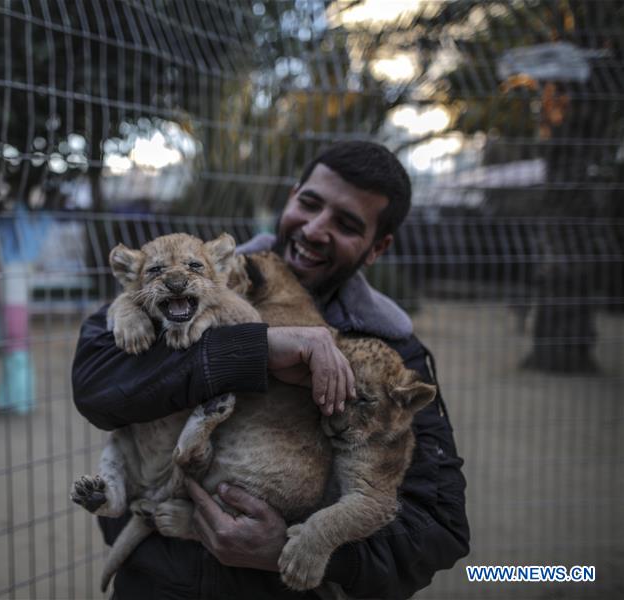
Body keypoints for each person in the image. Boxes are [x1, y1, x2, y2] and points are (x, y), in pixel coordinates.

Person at [71, 141, 469, 599]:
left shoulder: (390, 355)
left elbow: (439, 526)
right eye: (310, 203)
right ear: (291, 196)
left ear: (377, 247)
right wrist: (251, 351)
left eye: (346, 224)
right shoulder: (200, 276)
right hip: (156, 583)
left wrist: (296, 550)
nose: (315, 229)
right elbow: (94, 383)